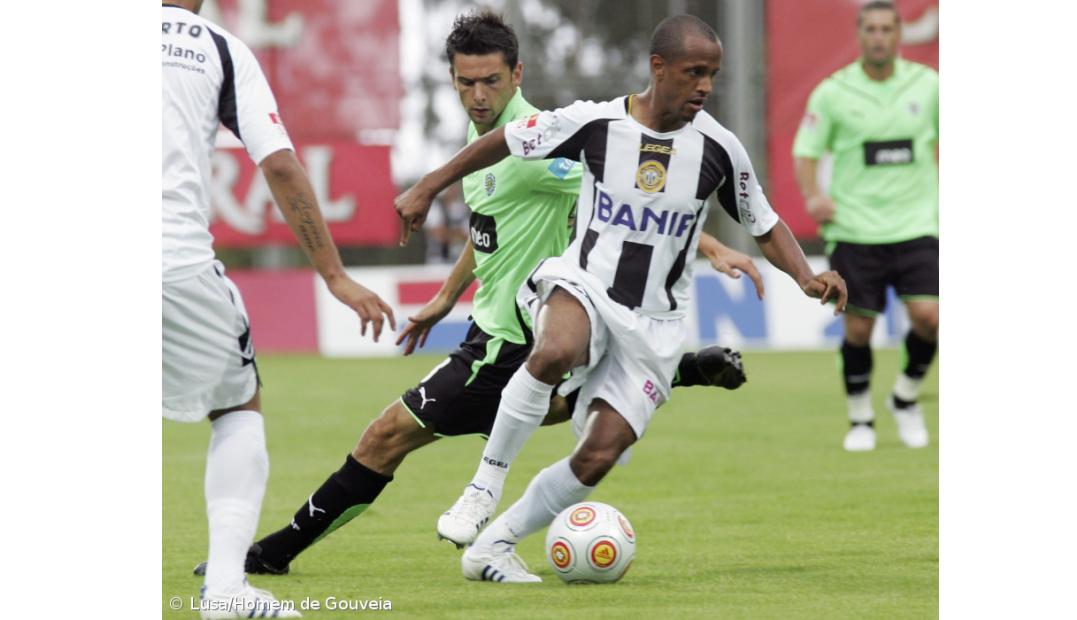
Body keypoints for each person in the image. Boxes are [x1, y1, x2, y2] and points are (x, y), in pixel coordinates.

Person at [191, 10, 757, 579]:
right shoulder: (478, 136)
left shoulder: (539, 146)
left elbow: (641, 196)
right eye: (466, 83)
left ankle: (270, 555)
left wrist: (710, 246)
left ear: (518, 74)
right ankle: (675, 374)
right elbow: (490, 223)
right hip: (498, 328)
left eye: (491, 81)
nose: (478, 96)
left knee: (386, 436)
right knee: (557, 410)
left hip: (515, 335)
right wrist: (445, 295)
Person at [399, 14, 848, 582]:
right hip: (583, 282)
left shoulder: (720, 148)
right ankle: (482, 487)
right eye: (694, 73)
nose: (705, 86)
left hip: (654, 324)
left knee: (597, 455)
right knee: (556, 349)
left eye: (712, 74)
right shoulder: (594, 122)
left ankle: (493, 546)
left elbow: (764, 223)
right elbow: (503, 142)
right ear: (658, 69)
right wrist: (425, 186)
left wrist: (807, 277)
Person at [162, 2, 394, 616]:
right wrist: (335, 276)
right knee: (237, 406)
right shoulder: (219, 48)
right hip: (174, 263)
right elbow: (281, 165)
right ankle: (226, 592)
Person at [792, 0, 938, 452]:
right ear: (860, 35)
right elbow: (806, 151)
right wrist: (814, 196)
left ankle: (905, 398)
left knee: (930, 318)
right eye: (871, 29)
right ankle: (860, 419)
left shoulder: (929, 85)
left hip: (916, 223)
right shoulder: (833, 93)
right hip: (855, 229)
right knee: (858, 331)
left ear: (900, 35)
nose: (879, 36)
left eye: (887, 29)